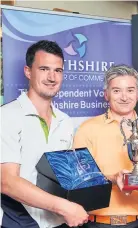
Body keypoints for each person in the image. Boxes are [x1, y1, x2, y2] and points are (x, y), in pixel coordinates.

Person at [0, 40, 89, 228]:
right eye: (44, 69)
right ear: (28, 71)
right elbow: (7, 181)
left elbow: (65, 175)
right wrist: (64, 207)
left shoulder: (64, 120)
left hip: (60, 221)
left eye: (58, 71)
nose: (52, 77)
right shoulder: (6, 116)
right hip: (19, 221)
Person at [73, 64, 138, 228]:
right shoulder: (87, 129)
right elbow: (79, 181)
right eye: (116, 91)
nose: (124, 97)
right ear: (106, 95)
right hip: (97, 224)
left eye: (130, 90)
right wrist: (114, 178)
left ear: (137, 94)